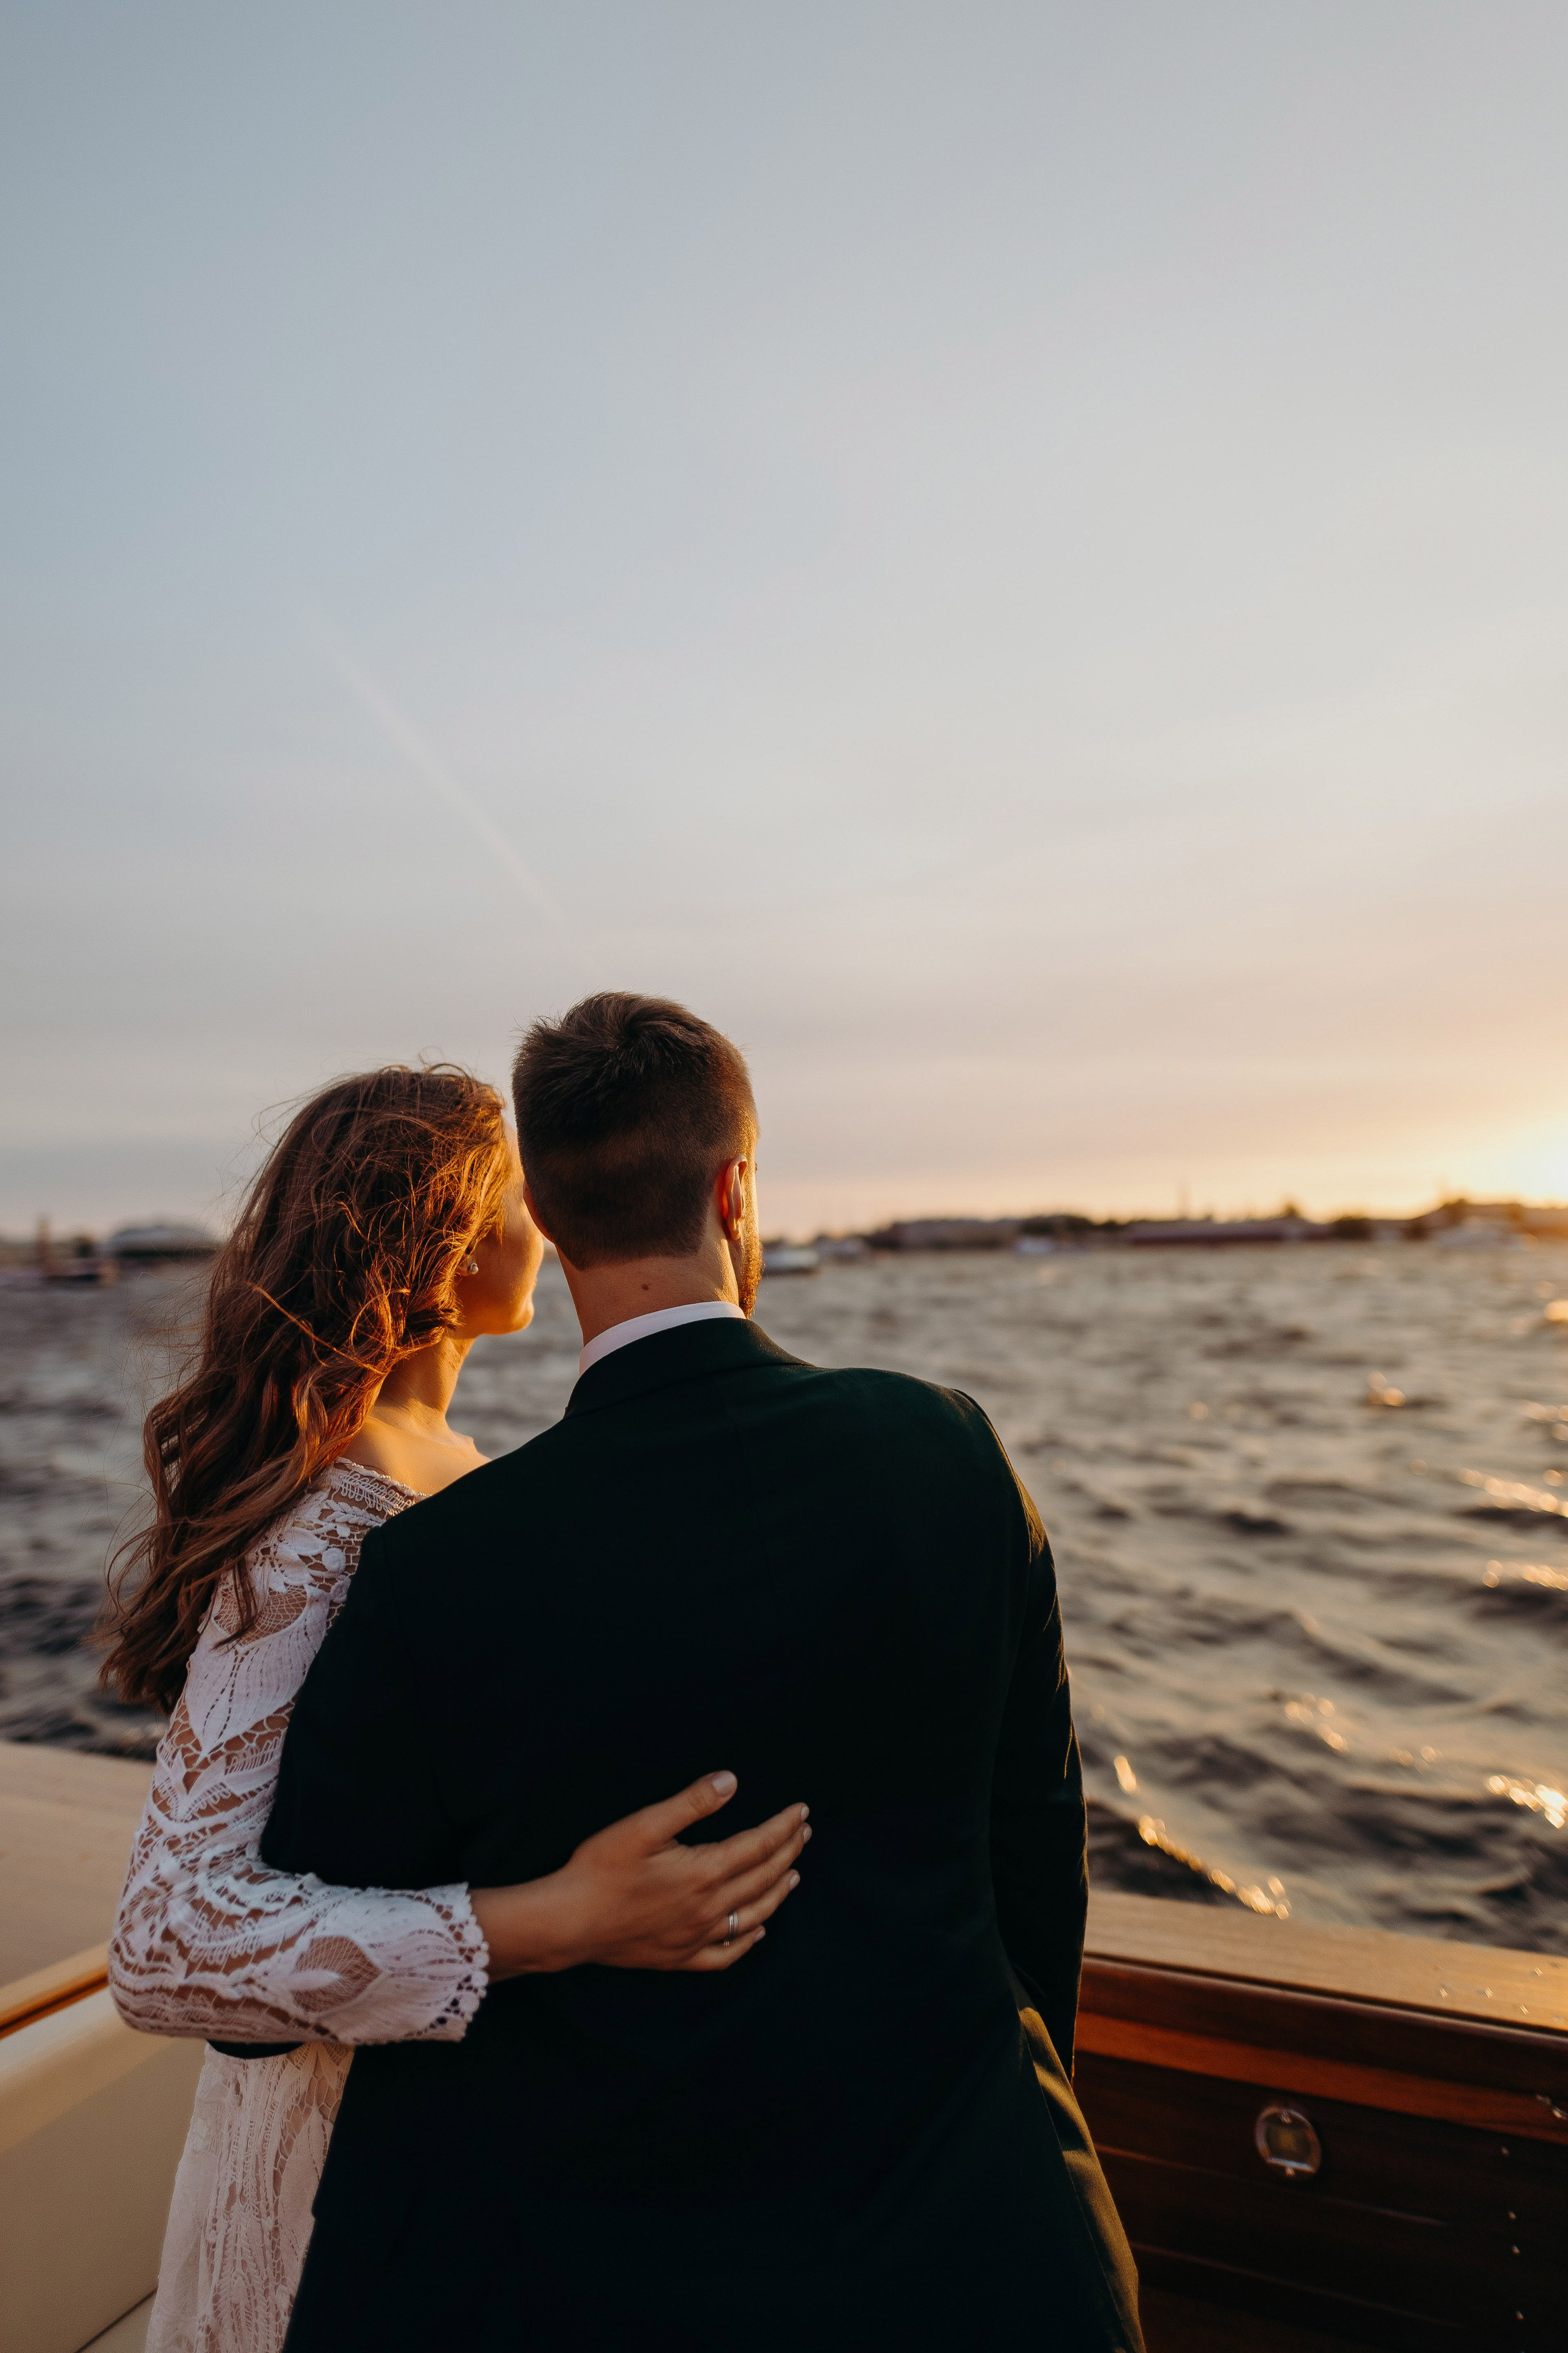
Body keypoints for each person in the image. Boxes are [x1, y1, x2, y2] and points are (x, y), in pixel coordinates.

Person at [265, 996, 1144, 2352]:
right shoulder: (948, 1453)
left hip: (585, 2277)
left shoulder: (434, 1567)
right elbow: (1035, 1862)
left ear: (549, 1225)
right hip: (973, 2253)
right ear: (735, 1190)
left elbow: (310, 1947)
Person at [104, 1065, 807, 2353]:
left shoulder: (459, 1478)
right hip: (332, 2172)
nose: (546, 1217)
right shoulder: (323, 1519)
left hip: (458, 2128)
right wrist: (564, 1917)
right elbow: (164, 1942)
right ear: (447, 1232)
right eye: (517, 1191)